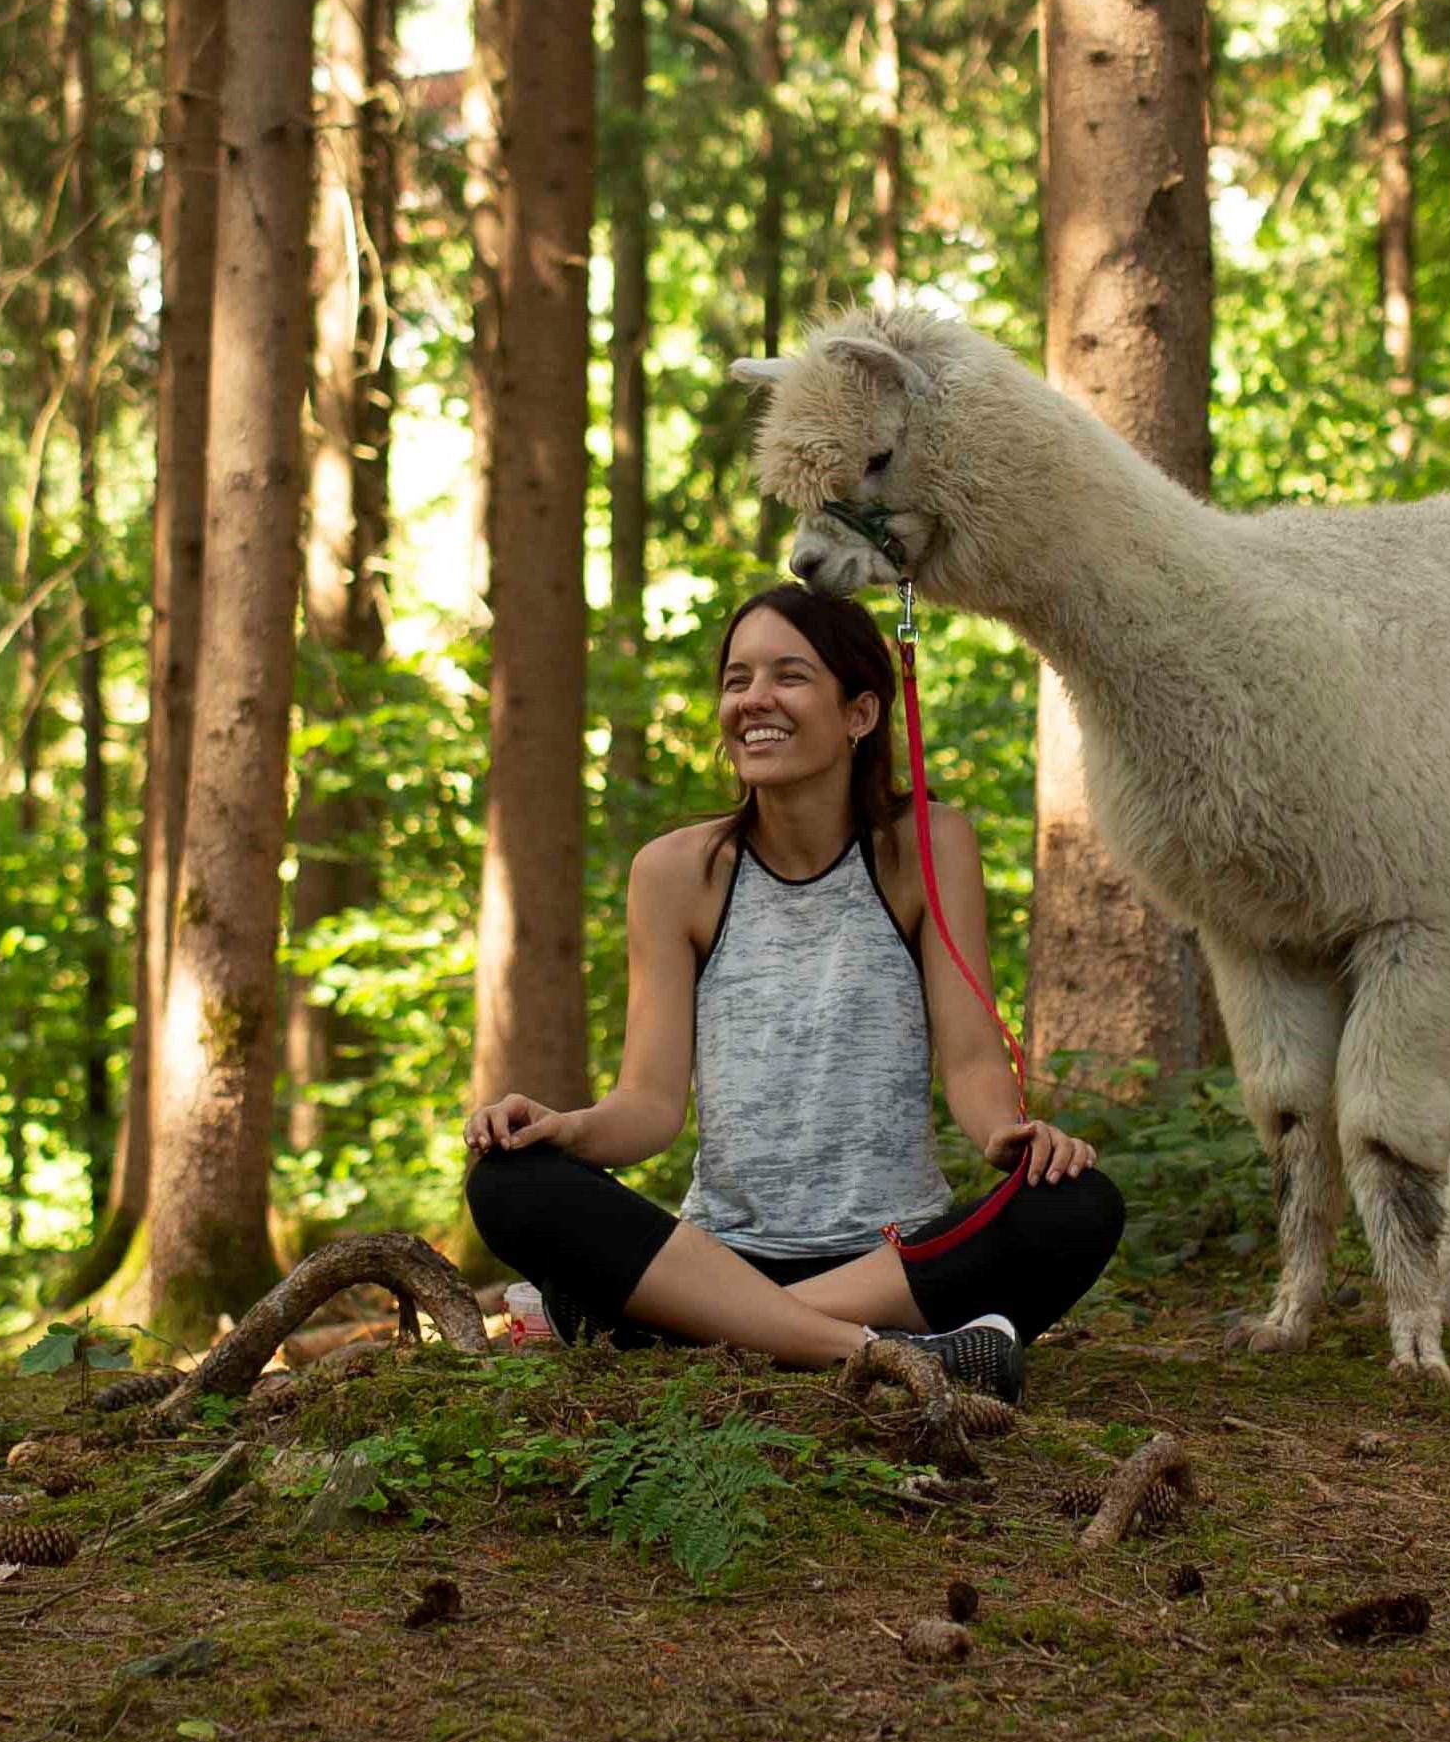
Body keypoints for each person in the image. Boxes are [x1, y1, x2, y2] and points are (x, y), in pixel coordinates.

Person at [464, 583, 1125, 1403]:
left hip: (894, 1260)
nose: (753, 701)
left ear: (860, 712)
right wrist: (564, 1128)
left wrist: (1010, 1135)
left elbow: (970, 1059)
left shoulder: (926, 844)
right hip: (720, 1254)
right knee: (506, 1184)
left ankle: (695, 1336)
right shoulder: (676, 872)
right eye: (736, 679)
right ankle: (894, 1355)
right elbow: (648, 1104)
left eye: (788, 675)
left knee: (1077, 1203)